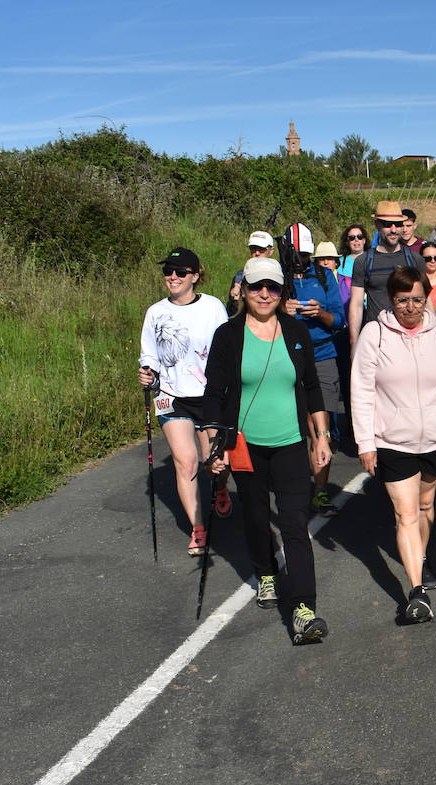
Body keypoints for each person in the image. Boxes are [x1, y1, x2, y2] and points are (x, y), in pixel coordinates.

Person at [201, 257, 332, 645]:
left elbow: (311, 387)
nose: (264, 294)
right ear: (242, 289)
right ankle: (267, 573)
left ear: (281, 291)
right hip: (245, 446)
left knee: (294, 524)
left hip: (291, 443)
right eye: (256, 286)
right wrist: (215, 446)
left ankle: (304, 609)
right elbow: (214, 393)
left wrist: (320, 436)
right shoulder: (228, 335)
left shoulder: (295, 331)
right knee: (256, 519)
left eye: (272, 287)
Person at [352, 266, 436, 624]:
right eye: (402, 300)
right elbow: (362, 391)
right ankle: (416, 591)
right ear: (390, 300)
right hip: (393, 441)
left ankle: (421, 556)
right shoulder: (375, 334)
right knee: (406, 513)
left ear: (426, 299)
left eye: (417, 299)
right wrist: (366, 442)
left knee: (427, 505)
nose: (410, 308)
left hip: (435, 439)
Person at [138, 247, 231, 556]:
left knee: (213, 462)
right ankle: (198, 528)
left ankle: (219, 489)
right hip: (172, 396)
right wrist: (148, 374)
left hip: (208, 395)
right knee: (185, 462)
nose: (172, 277)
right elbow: (149, 353)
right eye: (168, 271)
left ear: (194, 276)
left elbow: (226, 347)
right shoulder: (155, 312)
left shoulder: (213, 307)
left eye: (180, 272)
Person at [281, 223, 347, 516]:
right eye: (297, 255)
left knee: (320, 430)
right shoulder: (276, 278)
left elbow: (338, 321)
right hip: (284, 358)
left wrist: (318, 312)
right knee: (293, 430)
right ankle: (291, 486)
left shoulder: (323, 276)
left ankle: (320, 491)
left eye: (306, 255)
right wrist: (282, 309)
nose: (301, 261)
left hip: (321, 357)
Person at [348, 201, 420, 328]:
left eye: (397, 224)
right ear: (377, 225)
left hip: (408, 337)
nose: (393, 230)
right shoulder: (363, 261)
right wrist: (354, 343)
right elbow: (356, 305)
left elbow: (426, 300)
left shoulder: (414, 259)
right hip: (377, 337)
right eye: (387, 225)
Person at [228, 230, 274, 314]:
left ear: (271, 251)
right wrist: (234, 301)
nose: (256, 253)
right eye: (253, 249)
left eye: (261, 249)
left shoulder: (279, 277)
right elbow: (231, 312)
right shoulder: (240, 277)